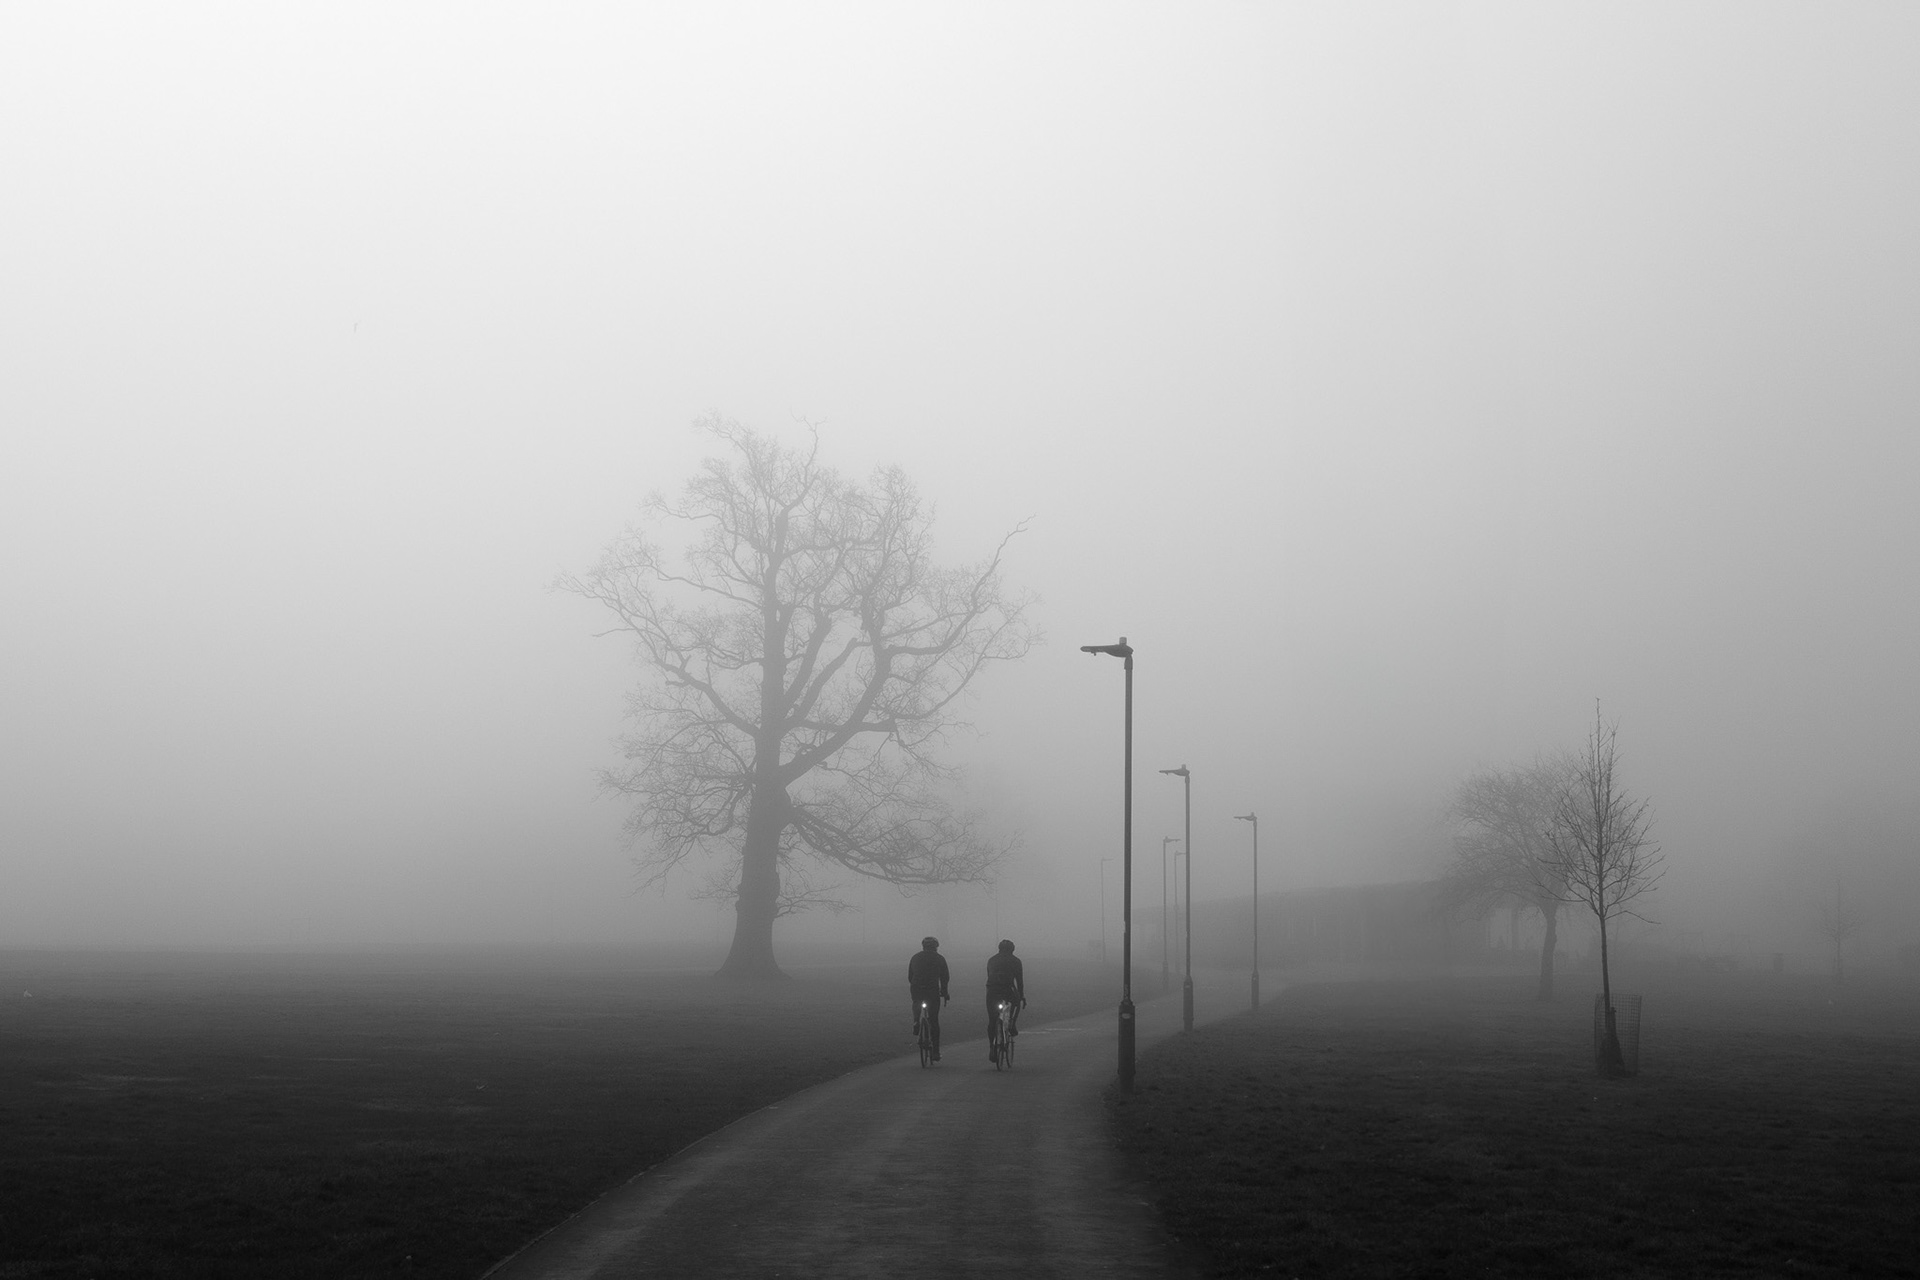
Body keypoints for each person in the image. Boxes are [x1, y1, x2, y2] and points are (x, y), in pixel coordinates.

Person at [907, 936, 950, 1061]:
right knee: (934, 1021)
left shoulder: (915, 957)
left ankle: (916, 1021)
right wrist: (945, 992)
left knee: (916, 1002)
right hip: (932, 990)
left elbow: (910, 976)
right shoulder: (940, 958)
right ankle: (935, 1052)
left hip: (917, 988)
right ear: (936, 947)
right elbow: (945, 978)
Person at [985, 939, 1025, 1063]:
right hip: (1007, 990)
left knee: (992, 1020)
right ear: (1012, 950)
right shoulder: (1016, 961)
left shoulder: (991, 959)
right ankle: (1012, 1024)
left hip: (992, 991)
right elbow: (1019, 981)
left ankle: (992, 1047)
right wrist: (1022, 995)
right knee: (1016, 1003)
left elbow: (989, 975)